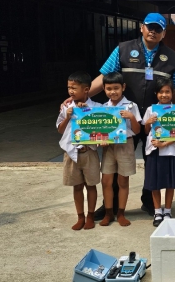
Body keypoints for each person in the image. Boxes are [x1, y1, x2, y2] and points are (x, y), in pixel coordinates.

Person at [79, 13, 175, 220]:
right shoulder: (123, 50)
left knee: (152, 161)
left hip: (156, 120)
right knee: (116, 161)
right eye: (149, 27)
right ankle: (111, 205)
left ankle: (149, 202)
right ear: (142, 27)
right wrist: (82, 96)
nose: (153, 31)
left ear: (163, 33)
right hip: (126, 119)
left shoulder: (171, 57)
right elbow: (104, 78)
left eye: (158, 29)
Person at [56, 71, 101, 230]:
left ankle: (90, 216)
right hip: (71, 152)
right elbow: (60, 130)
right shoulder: (67, 106)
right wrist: (68, 116)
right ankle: (80, 216)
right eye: (69, 88)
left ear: (86, 89)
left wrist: (86, 111)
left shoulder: (97, 108)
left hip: (89, 152)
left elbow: (104, 128)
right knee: (77, 186)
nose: (71, 91)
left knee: (91, 185)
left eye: (74, 88)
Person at [99, 72, 142, 227]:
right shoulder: (103, 108)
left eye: (116, 88)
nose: (113, 92)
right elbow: (99, 130)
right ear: (104, 89)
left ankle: (121, 213)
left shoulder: (131, 106)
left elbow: (137, 131)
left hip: (126, 145)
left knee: (123, 180)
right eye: (109, 88)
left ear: (123, 87)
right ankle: (108, 213)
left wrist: (131, 117)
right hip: (109, 147)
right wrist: (101, 140)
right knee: (106, 181)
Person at [142, 78, 175, 227]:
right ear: (156, 93)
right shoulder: (150, 110)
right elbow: (146, 132)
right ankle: (158, 211)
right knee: (154, 184)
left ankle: (168, 211)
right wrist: (148, 123)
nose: (164, 95)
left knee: (170, 183)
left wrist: (164, 144)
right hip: (154, 151)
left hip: (170, 151)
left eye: (167, 92)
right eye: (161, 92)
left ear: (172, 93)